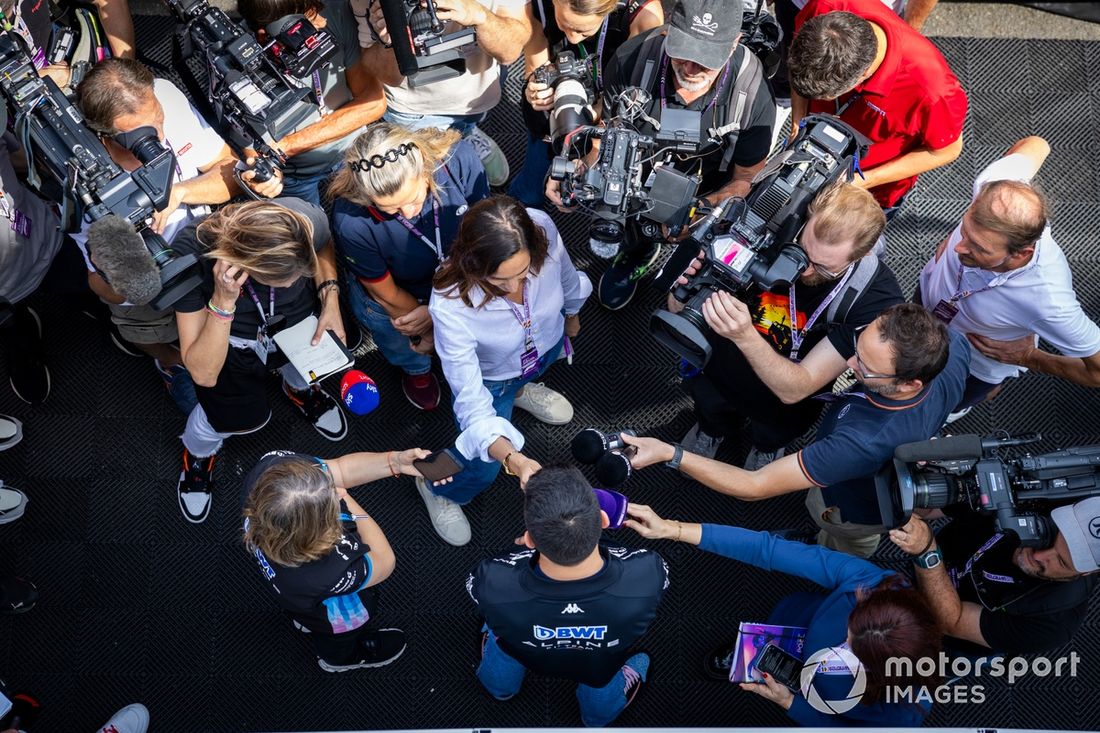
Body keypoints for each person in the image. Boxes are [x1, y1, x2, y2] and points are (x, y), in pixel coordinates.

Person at [621, 304, 969, 558]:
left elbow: (754, 486)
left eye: (866, 367)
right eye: (858, 349)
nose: (849, 364)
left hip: (850, 507)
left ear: (909, 384)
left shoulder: (861, 443)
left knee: (839, 536)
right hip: (857, 470)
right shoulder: (953, 348)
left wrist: (670, 453)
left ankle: (824, 550)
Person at [75, 58, 280, 413]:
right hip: (145, 287)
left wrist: (181, 193)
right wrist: (129, 275)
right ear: (104, 136)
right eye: (139, 137)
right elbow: (101, 286)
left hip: (203, 246)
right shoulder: (82, 180)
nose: (160, 138)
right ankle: (170, 362)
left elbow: (226, 169)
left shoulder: (165, 97)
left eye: (158, 120)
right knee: (145, 330)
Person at [548, 0, 776, 310]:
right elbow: (607, 135)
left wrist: (699, 212)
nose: (690, 70)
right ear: (669, 28)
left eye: (706, 60)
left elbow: (747, 177)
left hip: (707, 189)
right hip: (634, 178)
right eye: (682, 51)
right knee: (632, 232)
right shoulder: (632, 59)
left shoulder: (753, 93)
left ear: (734, 42)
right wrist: (579, 170)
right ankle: (636, 253)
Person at [626, 503, 939, 726]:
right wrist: (673, 529)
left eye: (851, 653)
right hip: (793, 624)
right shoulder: (872, 584)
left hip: (814, 694)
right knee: (759, 649)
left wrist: (789, 703)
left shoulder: (905, 711)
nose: (834, 650)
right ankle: (750, 651)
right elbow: (768, 550)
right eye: (848, 633)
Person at [673, 182, 903, 469]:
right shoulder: (759, 232)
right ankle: (711, 430)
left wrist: (745, 336)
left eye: (822, 267)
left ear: (860, 256)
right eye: (802, 251)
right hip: (717, 370)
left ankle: (766, 448)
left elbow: (796, 389)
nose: (804, 269)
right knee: (711, 410)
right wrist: (684, 286)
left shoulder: (873, 300)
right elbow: (678, 310)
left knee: (773, 433)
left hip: (783, 402)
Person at [424, 196, 591, 545]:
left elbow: (566, 277)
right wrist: (514, 460)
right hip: (492, 381)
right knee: (483, 467)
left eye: (523, 273)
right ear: (473, 266)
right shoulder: (450, 303)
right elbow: (472, 404)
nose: (515, 287)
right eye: (500, 280)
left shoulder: (541, 226)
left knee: (530, 374)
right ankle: (438, 487)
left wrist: (572, 314)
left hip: (543, 348)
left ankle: (519, 393)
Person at [172, 199, 347, 524]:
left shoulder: (300, 220)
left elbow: (322, 245)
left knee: (306, 371)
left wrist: (330, 298)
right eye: (287, 278)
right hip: (229, 341)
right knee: (223, 416)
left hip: (296, 325)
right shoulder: (189, 253)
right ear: (244, 268)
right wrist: (223, 300)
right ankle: (198, 454)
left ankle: (300, 391)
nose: (298, 280)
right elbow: (202, 372)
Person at [917, 136, 1100, 419]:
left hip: (967, 364)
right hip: (927, 302)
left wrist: (1031, 358)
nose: (958, 248)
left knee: (936, 408)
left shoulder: (1049, 302)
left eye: (979, 248)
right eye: (965, 230)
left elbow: (1097, 372)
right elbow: (1038, 144)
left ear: (1020, 254)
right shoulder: (996, 188)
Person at [467, 466, 666, 727]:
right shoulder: (648, 571)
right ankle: (595, 720)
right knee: (600, 687)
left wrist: (524, 555)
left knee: (500, 638)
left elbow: (476, 588)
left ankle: (501, 690)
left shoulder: (492, 579)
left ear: (529, 540)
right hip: (599, 662)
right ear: (604, 521)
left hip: (522, 647)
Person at [329, 123, 489, 411]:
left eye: (414, 199)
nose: (408, 213)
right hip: (402, 297)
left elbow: (486, 230)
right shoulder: (350, 220)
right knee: (400, 335)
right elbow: (385, 292)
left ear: (426, 168)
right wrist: (426, 327)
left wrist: (440, 312)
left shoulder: (459, 158)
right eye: (390, 210)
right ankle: (416, 369)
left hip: (466, 277)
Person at [243, 448, 428, 672]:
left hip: (292, 595)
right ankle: (339, 660)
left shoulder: (271, 470)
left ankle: (304, 622)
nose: (340, 491)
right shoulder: (330, 571)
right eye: (332, 500)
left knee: (303, 612)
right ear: (316, 536)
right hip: (334, 614)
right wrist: (349, 506)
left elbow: (339, 469)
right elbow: (384, 560)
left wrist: (394, 462)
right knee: (338, 636)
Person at [787, 0, 966, 217]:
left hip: (866, 190)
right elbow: (799, 69)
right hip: (811, 153)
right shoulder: (824, 8)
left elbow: (947, 150)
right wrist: (797, 125)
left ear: (863, 75)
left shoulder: (933, 90)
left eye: (824, 96)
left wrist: (859, 181)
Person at [889, 498, 1100, 657]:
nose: (1039, 556)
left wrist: (927, 554)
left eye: (1061, 562)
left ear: (1085, 573)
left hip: (950, 640)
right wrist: (914, 494)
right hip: (934, 559)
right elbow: (934, 507)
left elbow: (954, 621)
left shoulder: (1055, 623)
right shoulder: (1024, 497)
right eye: (1050, 536)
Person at [351, 0, 529, 186]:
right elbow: (386, 76)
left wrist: (480, 16)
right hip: (415, 110)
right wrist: (389, 41)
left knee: (469, 123)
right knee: (435, 177)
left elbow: (510, 52)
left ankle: (467, 131)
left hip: (477, 96)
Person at [505, 0, 664, 205]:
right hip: (556, 110)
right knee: (533, 189)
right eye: (564, 25)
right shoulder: (539, 5)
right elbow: (535, 66)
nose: (572, 37)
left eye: (583, 31)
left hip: (611, 110)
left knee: (597, 190)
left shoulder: (643, 15)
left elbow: (630, 95)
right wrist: (534, 90)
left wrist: (593, 132)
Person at [238, 0, 386, 206]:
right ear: (265, 35)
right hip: (296, 176)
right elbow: (254, 150)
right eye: (308, 19)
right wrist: (267, 177)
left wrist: (287, 146)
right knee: (310, 225)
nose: (322, 22)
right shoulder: (236, 59)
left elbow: (373, 103)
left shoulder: (334, 12)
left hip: (354, 151)